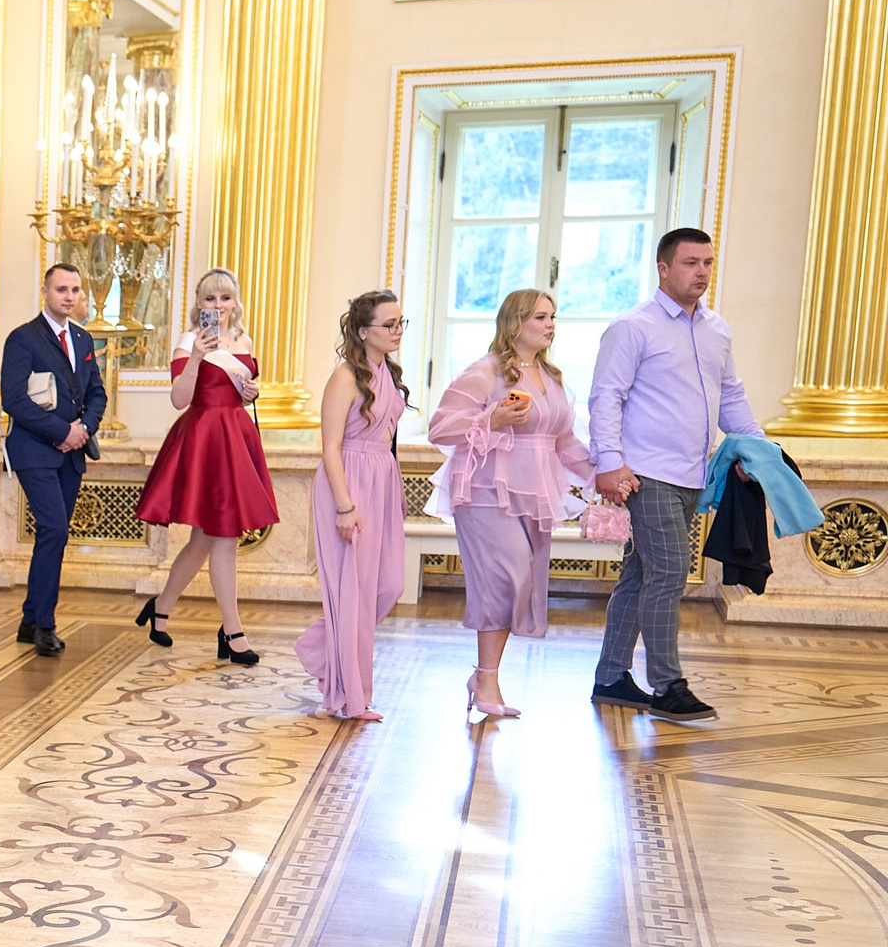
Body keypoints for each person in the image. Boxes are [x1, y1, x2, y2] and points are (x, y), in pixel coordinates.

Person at [587, 227, 767, 722]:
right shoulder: (633, 326)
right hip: (644, 474)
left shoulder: (717, 329)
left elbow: (731, 395)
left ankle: (611, 677)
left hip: (694, 475)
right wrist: (609, 462)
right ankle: (667, 685)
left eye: (707, 262)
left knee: (640, 573)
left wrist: (757, 451)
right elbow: (606, 397)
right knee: (668, 572)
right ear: (664, 269)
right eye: (690, 263)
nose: (702, 272)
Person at [427, 290, 597, 720]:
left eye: (554, 316)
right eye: (541, 316)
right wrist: (492, 419)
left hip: (536, 492)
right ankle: (485, 678)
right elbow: (440, 428)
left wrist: (603, 474)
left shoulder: (551, 377)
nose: (551, 324)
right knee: (507, 576)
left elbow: (564, 440)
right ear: (515, 322)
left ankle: (486, 675)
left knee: (518, 581)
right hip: (486, 492)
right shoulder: (484, 372)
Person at [136, 267, 279, 663]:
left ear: (236, 302)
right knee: (222, 538)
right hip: (203, 439)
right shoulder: (189, 341)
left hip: (234, 436)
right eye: (211, 299)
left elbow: (241, 390)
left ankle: (160, 608)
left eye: (226, 298)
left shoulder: (244, 340)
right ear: (199, 304)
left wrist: (251, 391)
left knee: (205, 540)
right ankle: (233, 633)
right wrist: (197, 356)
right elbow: (179, 399)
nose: (219, 306)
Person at [296, 291, 413, 721]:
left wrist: (393, 490)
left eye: (402, 323)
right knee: (354, 590)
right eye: (389, 324)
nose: (397, 331)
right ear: (364, 331)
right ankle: (351, 695)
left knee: (387, 585)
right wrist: (345, 506)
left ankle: (321, 648)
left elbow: (387, 440)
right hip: (346, 481)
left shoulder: (388, 373)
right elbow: (329, 448)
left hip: (381, 479)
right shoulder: (345, 377)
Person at [0, 263, 109, 654]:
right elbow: (14, 400)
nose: (69, 295)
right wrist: (63, 432)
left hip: (72, 452)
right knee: (55, 530)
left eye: (75, 289)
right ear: (44, 292)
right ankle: (45, 623)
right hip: (34, 451)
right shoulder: (22, 339)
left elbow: (97, 393)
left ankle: (30, 619)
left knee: (52, 535)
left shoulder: (82, 338)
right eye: (61, 288)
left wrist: (83, 430)